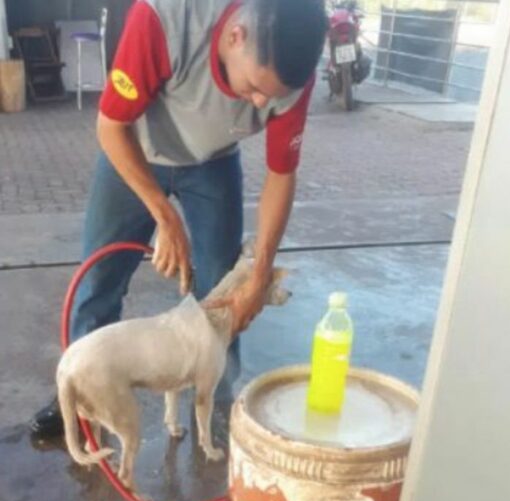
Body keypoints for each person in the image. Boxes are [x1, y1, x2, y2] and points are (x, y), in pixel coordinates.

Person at [31, 0, 328, 439]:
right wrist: (165, 217)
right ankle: (79, 395)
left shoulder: (291, 77)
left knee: (225, 285)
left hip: (213, 164)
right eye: (255, 87)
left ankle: (219, 399)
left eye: (273, 96)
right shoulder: (165, 17)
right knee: (98, 280)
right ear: (235, 37)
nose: (263, 103)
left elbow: (281, 175)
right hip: (134, 151)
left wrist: (259, 274)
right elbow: (110, 126)